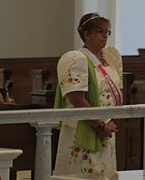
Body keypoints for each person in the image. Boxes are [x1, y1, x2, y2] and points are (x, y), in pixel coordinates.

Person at [53, 12, 124, 176]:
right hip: (84, 128)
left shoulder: (111, 59)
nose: (105, 36)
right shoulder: (76, 59)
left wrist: (113, 121)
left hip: (108, 129)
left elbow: (117, 94)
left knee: (106, 174)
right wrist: (99, 126)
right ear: (87, 34)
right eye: (100, 32)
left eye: (107, 32)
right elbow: (77, 100)